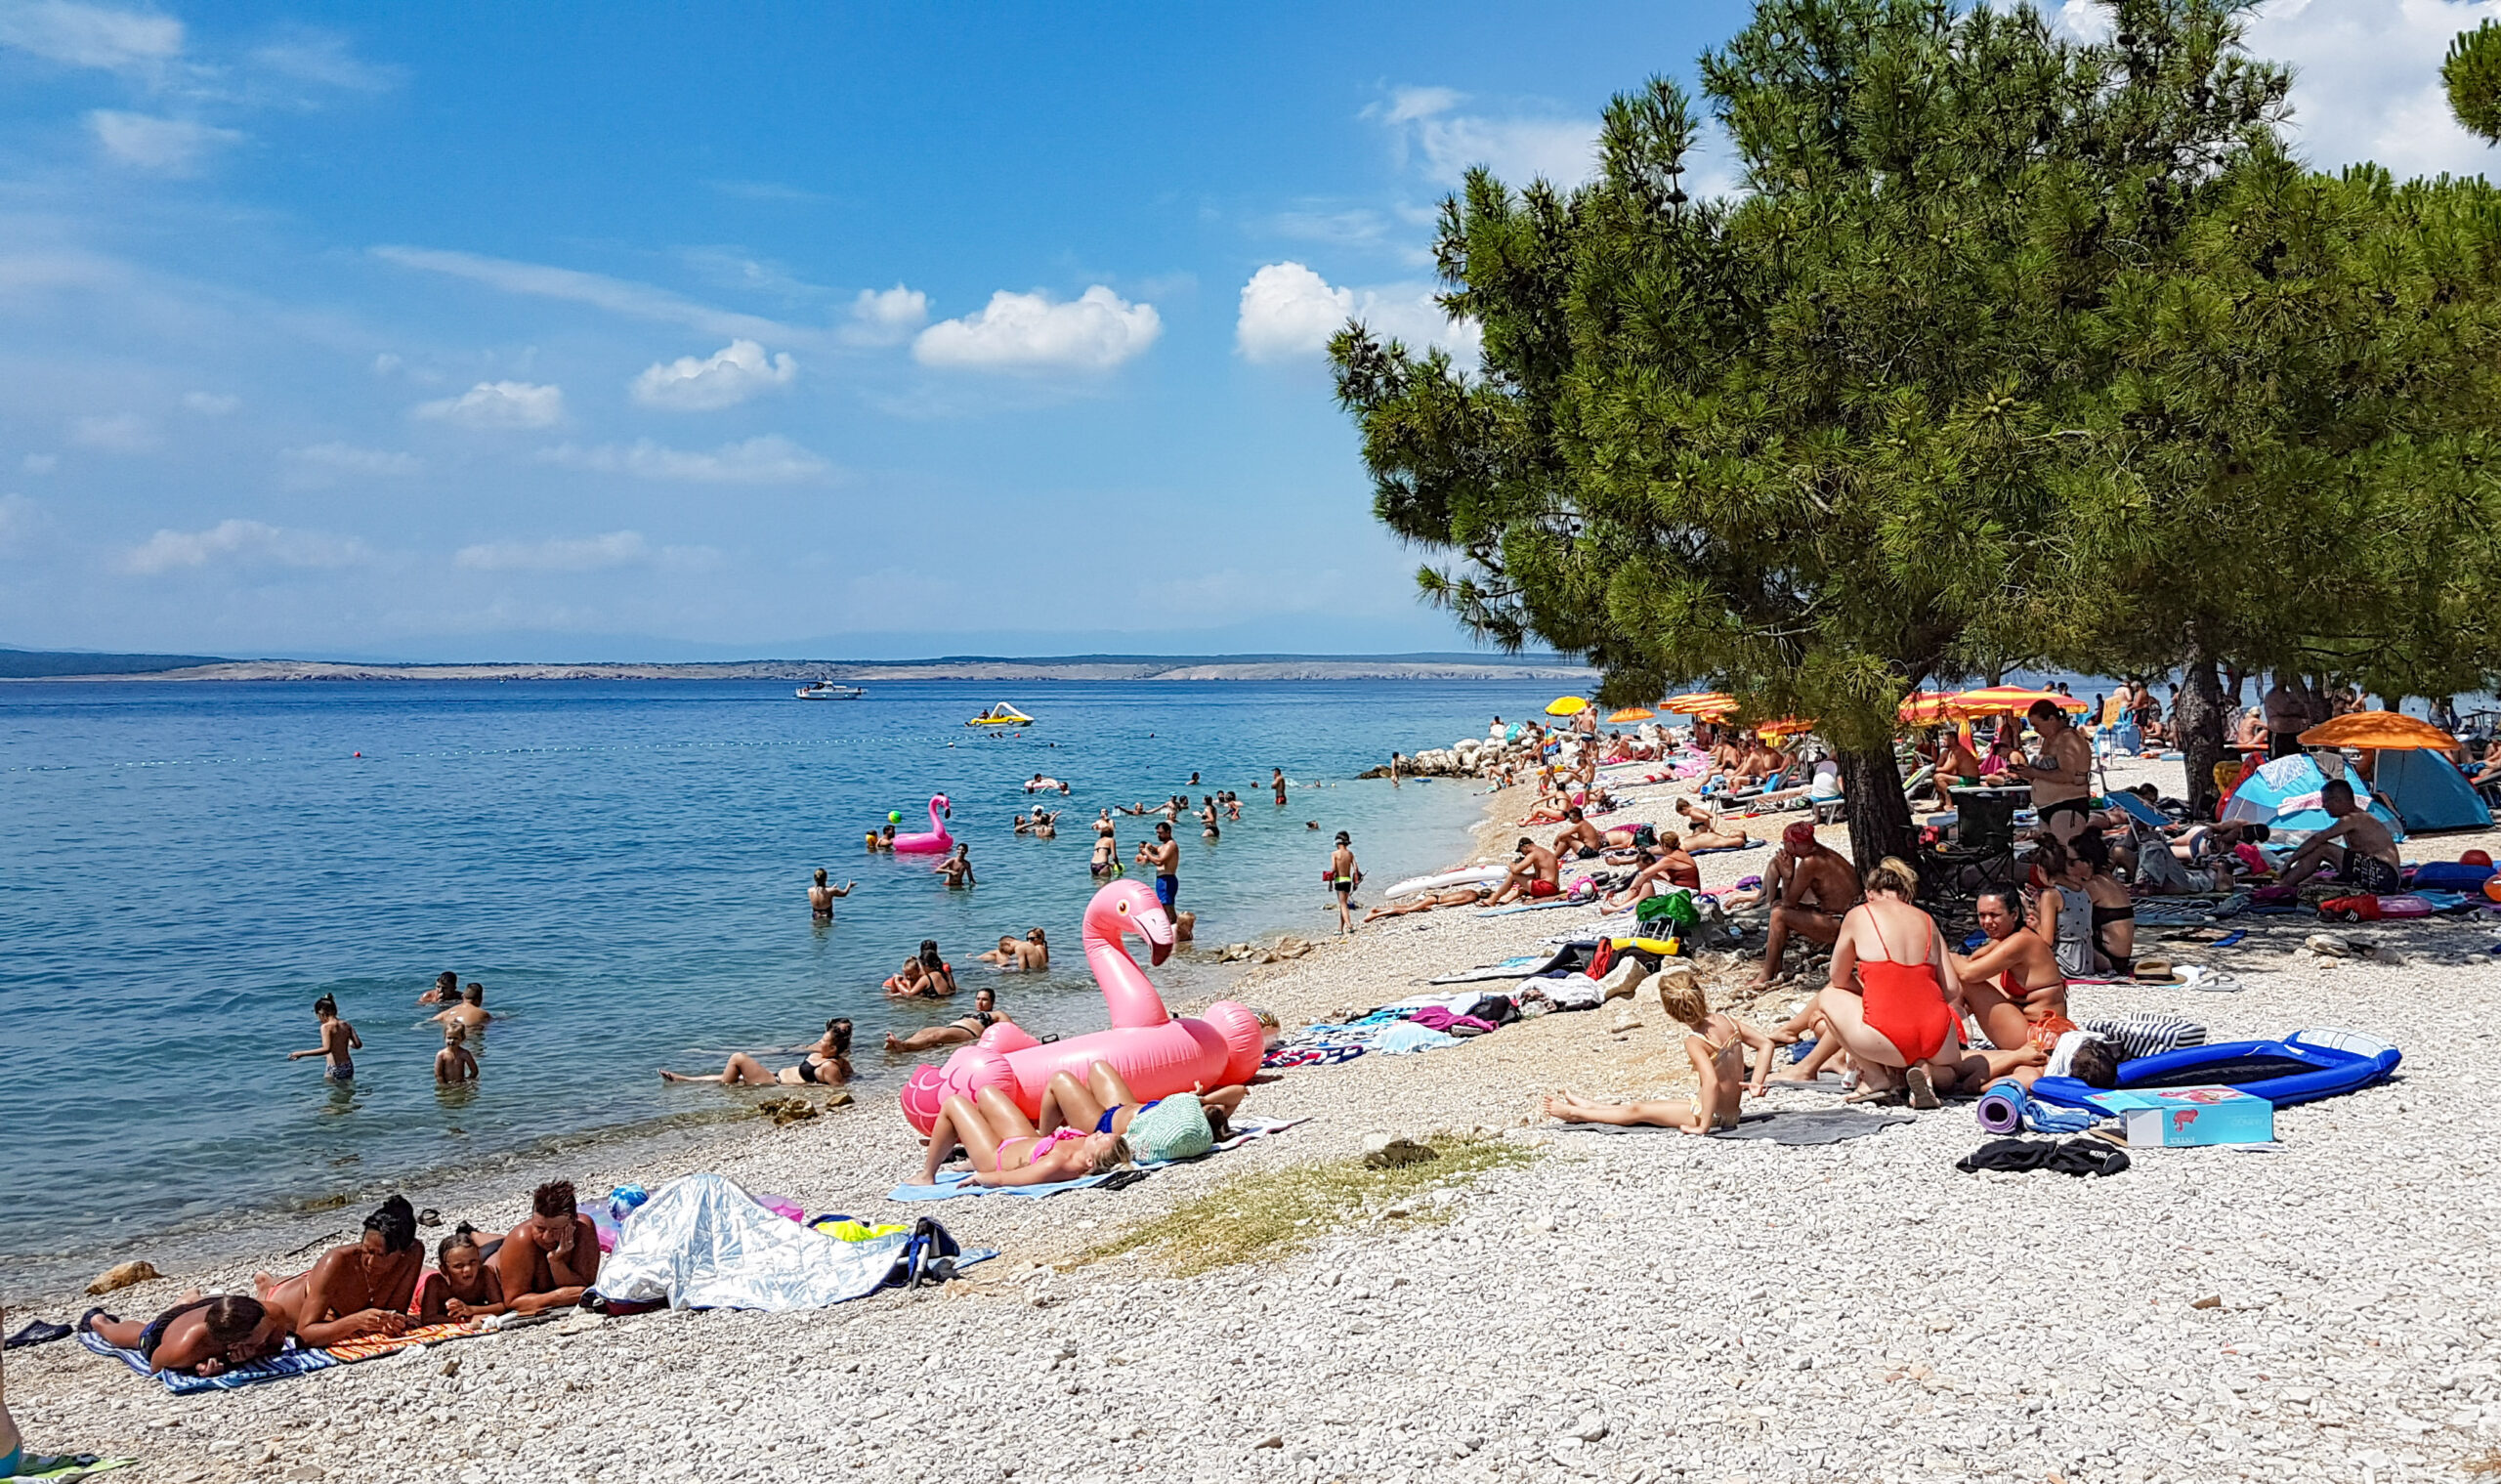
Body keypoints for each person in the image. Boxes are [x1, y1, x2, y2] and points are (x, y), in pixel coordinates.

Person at [1812, 858, 2044, 1107]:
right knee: (1945, 1071)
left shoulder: (1858, 915)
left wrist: (1867, 995)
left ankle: (1875, 1077)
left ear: (1870, 893)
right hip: (1940, 1037)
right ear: (1904, 893)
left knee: (1828, 996)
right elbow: (1952, 989)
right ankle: (1923, 1071)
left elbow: (1838, 977)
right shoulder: (1926, 919)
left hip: (1888, 1033)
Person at [1542, 975, 1775, 1132]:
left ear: (1670, 1012)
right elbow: (1766, 1044)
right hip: (1726, 1110)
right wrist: (1756, 1082)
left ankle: (1576, 1114)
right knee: (1649, 1105)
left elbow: (1711, 1082)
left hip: (1713, 1115)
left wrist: (1702, 1127)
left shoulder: (1696, 1041)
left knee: (1638, 1111)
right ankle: (1591, 1107)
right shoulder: (1727, 1021)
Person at [252, 1195, 422, 1344]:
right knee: (268, 1300)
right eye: (366, 1250)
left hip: (324, 1289)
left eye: (380, 1255)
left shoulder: (413, 1253)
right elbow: (304, 1336)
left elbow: (396, 1312)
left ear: (402, 1253)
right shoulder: (337, 1260)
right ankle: (266, 1284)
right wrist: (356, 1321)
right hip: (285, 1300)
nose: (369, 1261)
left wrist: (389, 1321)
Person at [1949, 888, 2074, 1079]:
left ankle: (1951, 1043)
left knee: (1966, 980)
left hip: (2035, 1036)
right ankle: (1948, 1035)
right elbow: (1974, 961)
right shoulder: (2010, 939)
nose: (1987, 922)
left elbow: (1968, 973)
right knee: (1970, 979)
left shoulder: (2022, 941)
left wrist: (1943, 951)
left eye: (1994, 915)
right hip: (2032, 1029)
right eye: (1982, 915)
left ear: (2014, 914)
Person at [917, 1088, 1132, 1188]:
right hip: (1024, 1141)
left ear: (1089, 1162)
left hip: (996, 1158)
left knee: (954, 1103)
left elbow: (1005, 1179)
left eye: (1099, 1139)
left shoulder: (1055, 1164)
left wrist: (980, 1177)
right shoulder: (1083, 1147)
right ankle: (969, 1156)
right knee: (987, 1093)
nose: (1098, 1132)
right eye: (1103, 1133)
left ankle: (927, 1175)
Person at [1036, 1059, 1248, 1157]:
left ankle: (1039, 1142)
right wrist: (1200, 1099)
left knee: (1059, 1079)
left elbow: (1237, 1093)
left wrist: (1198, 1101)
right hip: (1122, 1107)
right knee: (1098, 1066)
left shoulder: (1184, 1129)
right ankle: (1067, 1120)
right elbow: (1240, 1091)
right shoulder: (1190, 1112)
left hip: (1102, 1125)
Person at [1749, 823, 1858, 989]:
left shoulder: (1810, 862)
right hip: (1848, 920)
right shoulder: (1823, 853)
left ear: (1791, 844)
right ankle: (1775, 964)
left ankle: (1766, 973)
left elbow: (1789, 903)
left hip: (1841, 925)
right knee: (1778, 907)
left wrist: (1787, 876)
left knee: (1778, 914)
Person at [81, 1295, 291, 1378]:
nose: (276, 1328)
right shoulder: (185, 1347)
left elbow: (276, 1345)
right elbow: (155, 1364)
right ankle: (99, 1322)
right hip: (166, 1331)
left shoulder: (270, 1312)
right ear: (237, 1342)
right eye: (262, 1336)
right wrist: (196, 1367)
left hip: (215, 1307)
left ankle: (187, 1301)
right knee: (137, 1335)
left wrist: (256, 1351)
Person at [489, 1181, 601, 1317]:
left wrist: (556, 1261)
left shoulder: (583, 1229)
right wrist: (556, 1297)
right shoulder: (521, 1239)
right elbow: (512, 1301)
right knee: (482, 1245)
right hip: (491, 1259)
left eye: (556, 1229)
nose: (547, 1237)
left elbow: (582, 1287)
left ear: (572, 1222)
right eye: (540, 1228)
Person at [2274, 779, 2403, 894]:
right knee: (2315, 879)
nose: (2323, 806)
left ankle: (2282, 885)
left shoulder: (2352, 819)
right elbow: (2351, 859)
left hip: (2384, 875)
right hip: (2385, 877)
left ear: (2338, 801)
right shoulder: (2360, 817)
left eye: (2326, 802)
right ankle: (2286, 882)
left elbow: (2318, 839)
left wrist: (2289, 862)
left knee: (2323, 849)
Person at [2032, 834, 2135, 976]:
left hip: (2107, 959)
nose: (2066, 866)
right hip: (2116, 957)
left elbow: (2057, 921)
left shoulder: (2092, 886)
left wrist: (2038, 906)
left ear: (2088, 863)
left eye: (2071, 861)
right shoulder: (2108, 880)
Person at [660, 1018, 854, 1085]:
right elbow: (852, 1076)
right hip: (774, 1076)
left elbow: (839, 1088)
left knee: (737, 1058)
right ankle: (685, 1080)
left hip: (773, 1084)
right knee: (724, 1076)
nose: (819, 1042)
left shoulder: (829, 1066)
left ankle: (726, 1093)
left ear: (833, 1048)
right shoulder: (831, 1059)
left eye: (823, 1041)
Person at [2007, 700, 2095, 845]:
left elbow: (2068, 775)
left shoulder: (2068, 738)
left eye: (2036, 725)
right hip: (2048, 806)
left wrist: (2034, 773)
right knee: (2052, 857)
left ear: (2052, 719)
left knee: (2067, 852)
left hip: (2067, 805)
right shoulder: (2049, 739)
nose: (2035, 730)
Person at [412, 1223, 508, 1323]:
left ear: (479, 1261)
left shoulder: (485, 1274)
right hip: (420, 1286)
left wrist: (471, 1310)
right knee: (417, 1270)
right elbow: (428, 1318)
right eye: (459, 1266)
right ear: (444, 1270)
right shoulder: (436, 1284)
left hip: (450, 1276)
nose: (467, 1269)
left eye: (473, 1262)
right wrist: (464, 1319)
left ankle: (471, 1232)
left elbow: (500, 1307)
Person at [884, 988, 1009, 1052]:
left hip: (968, 1031)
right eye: (978, 999)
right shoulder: (970, 1013)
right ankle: (900, 1044)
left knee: (935, 1037)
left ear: (992, 1002)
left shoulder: (996, 1014)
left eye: (984, 1000)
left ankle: (904, 1045)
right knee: (924, 1032)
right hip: (951, 1027)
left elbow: (1011, 1029)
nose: (980, 1003)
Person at [287, 994, 360, 1082]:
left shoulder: (326, 1027)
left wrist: (301, 1053)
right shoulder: (346, 1024)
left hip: (335, 1067)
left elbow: (326, 1049)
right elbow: (358, 1045)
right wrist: (348, 1042)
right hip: (348, 1065)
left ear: (321, 1013)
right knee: (346, 1089)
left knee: (333, 1092)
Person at [1486, 836, 1562, 905]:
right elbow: (1541, 875)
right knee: (1523, 887)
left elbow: (1516, 870)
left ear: (1525, 847)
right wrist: (1524, 877)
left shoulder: (1533, 854)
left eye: (1522, 851)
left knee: (1512, 875)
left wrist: (1511, 864)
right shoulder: (1546, 852)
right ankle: (1506, 900)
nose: (1523, 854)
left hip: (1545, 888)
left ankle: (1493, 899)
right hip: (1554, 888)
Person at [1364, 885, 1490, 921]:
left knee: (1408, 906)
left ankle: (1378, 910)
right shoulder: (1472, 897)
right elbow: (1457, 902)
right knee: (1406, 910)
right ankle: (1374, 915)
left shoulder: (1470, 890)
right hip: (1436, 900)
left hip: (1435, 896)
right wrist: (1439, 906)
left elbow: (1455, 897)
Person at [1672, 798, 1751, 851]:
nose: (1734, 829)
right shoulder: (1722, 838)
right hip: (1688, 841)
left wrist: (1709, 826)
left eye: (1737, 832)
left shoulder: (1728, 840)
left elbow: (1740, 841)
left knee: (1671, 846)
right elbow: (1713, 815)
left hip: (1687, 844)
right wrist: (1712, 827)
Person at [885, 941, 957, 998]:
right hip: (947, 1003)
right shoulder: (947, 974)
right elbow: (953, 991)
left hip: (936, 1005)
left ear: (926, 965)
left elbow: (909, 994)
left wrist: (897, 981)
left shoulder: (927, 978)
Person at [2263, 672, 2310, 759]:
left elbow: (2303, 708)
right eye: (2280, 677)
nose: (2283, 679)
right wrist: (2294, 709)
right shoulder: (2271, 695)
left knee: (2297, 756)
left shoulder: (2291, 695)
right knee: (2276, 759)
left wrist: (2294, 709)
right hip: (2279, 732)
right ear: (2274, 679)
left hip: (2294, 732)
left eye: (2285, 676)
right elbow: (2283, 709)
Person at [1137, 822, 1180, 912]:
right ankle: (1172, 925)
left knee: (1168, 909)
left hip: (1167, 880)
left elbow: (1159, 862)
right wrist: (1151, 848)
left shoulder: (1170, 845)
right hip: (1162, 880)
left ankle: (1173, 925)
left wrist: (1147, 853)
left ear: (1168, 832)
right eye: (1157, 833)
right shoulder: (1164, 845)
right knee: (1164, 908)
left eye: (1160, 833)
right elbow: (1158, 850)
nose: (1158, 835)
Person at [1329, 831, 1360, 935]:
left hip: (1339, 881)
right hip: (1348, 881)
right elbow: (1356, 869)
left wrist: (1330, 882)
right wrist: (1356, 883)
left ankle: (1349, 926)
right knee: (1344, 905)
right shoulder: (1350, 854)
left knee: (1343, 905)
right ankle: (1340, 929)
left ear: (1338, 843)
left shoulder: (1334, 854)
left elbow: (1333, 869)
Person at [976, 930, 1047, 971]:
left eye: (1005, 950)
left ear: (1008, 943)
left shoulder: (1019, 948)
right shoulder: (1027, 945)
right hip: (1040, 972)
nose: (1009, 954)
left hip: (1035, 975)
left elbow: (1022, 969)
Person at [1090, 811, 1122, 877]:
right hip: (1102, 865)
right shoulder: (1111, 840)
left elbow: (1099, 857)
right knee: (1107, 885)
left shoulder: (1098, 841)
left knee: (1099, 886)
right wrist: (1118, 866)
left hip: (1092, 865)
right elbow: (1114, 857)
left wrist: (1111, 865)